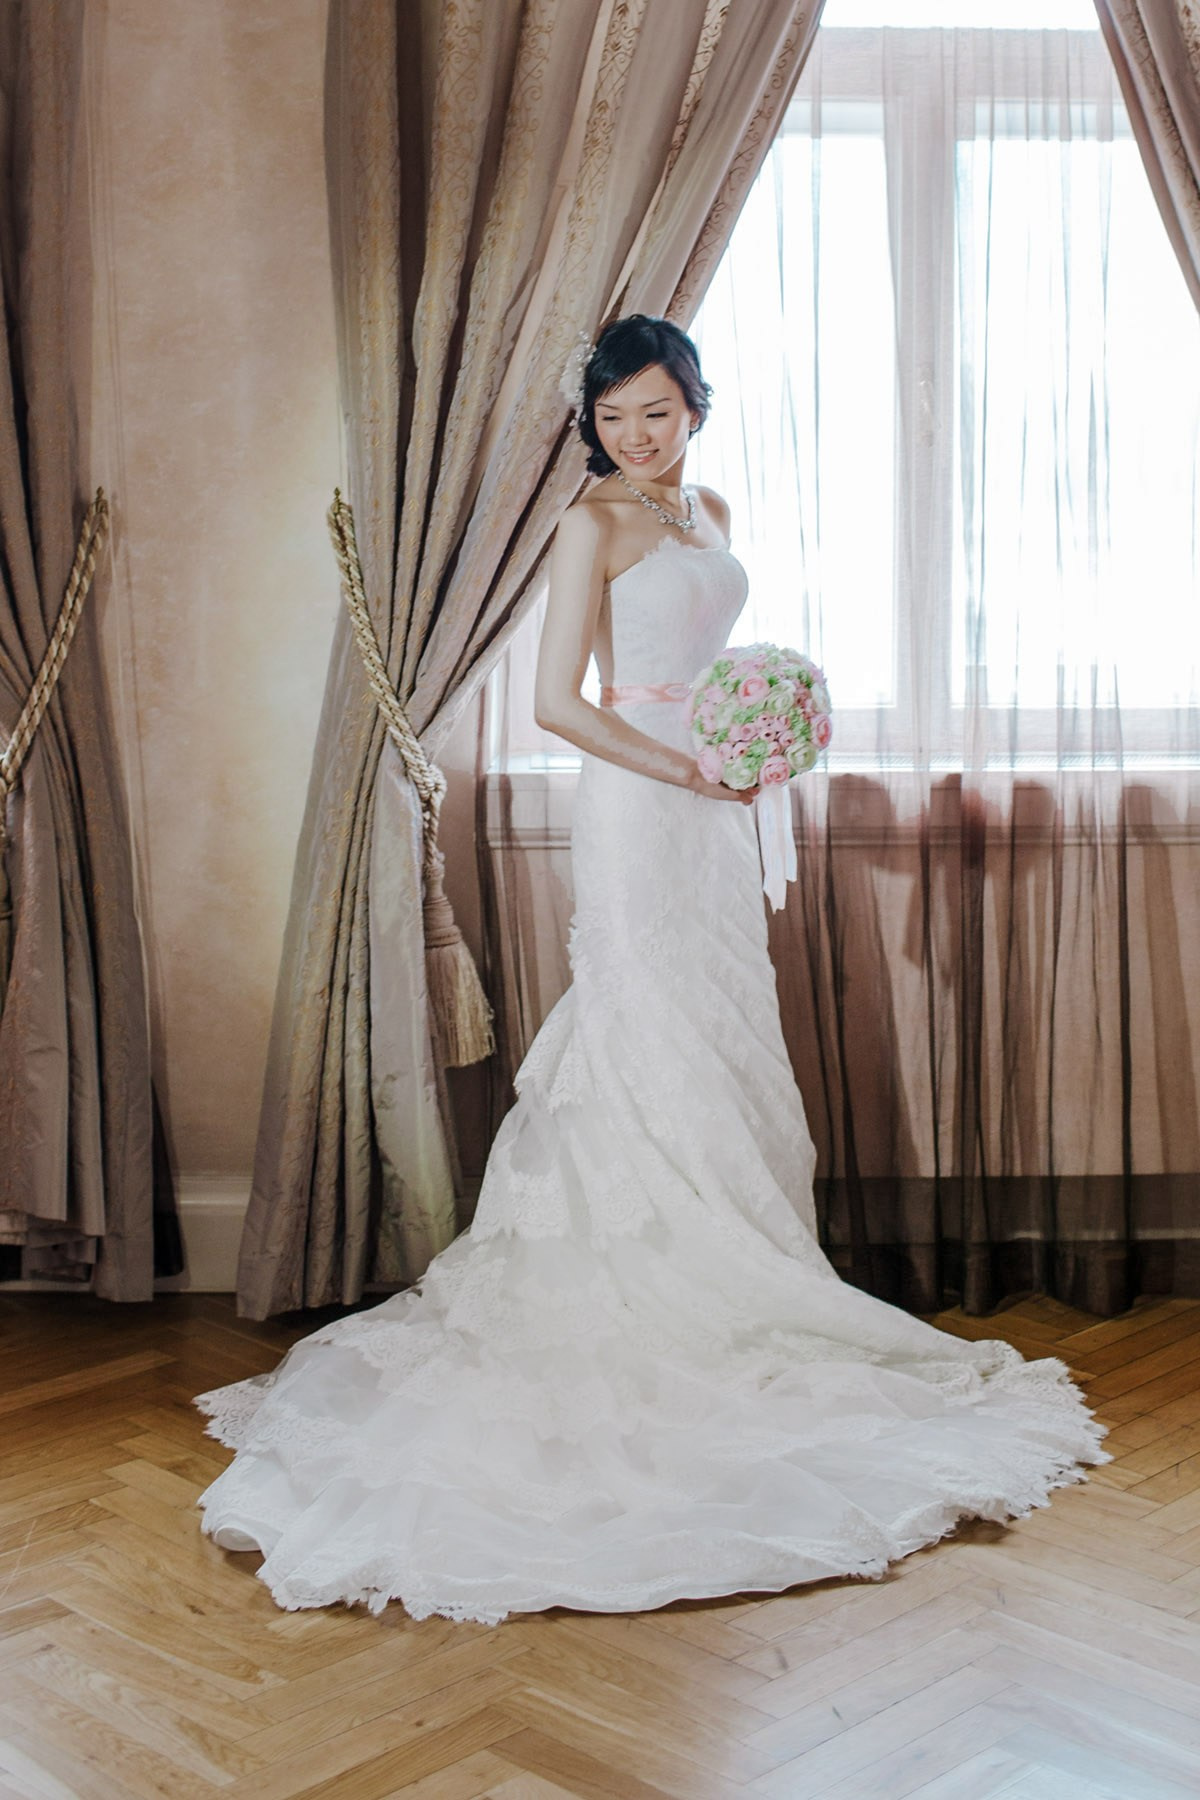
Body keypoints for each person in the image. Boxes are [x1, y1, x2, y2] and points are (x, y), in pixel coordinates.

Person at [195, 314, 1106, 1625]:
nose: (636, 435)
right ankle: (646, 1281)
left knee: (722, 1019)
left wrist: (751, 739)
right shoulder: (591, 524)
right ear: (594, 424)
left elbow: (707, 665)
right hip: (639, 804)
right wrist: (686, 765)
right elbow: (559, 702)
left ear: (696, 408)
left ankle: (745, 1255)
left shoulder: (709, 509)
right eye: (615, 416)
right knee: (642, 1016)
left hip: (714, 804)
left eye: (658, 412)